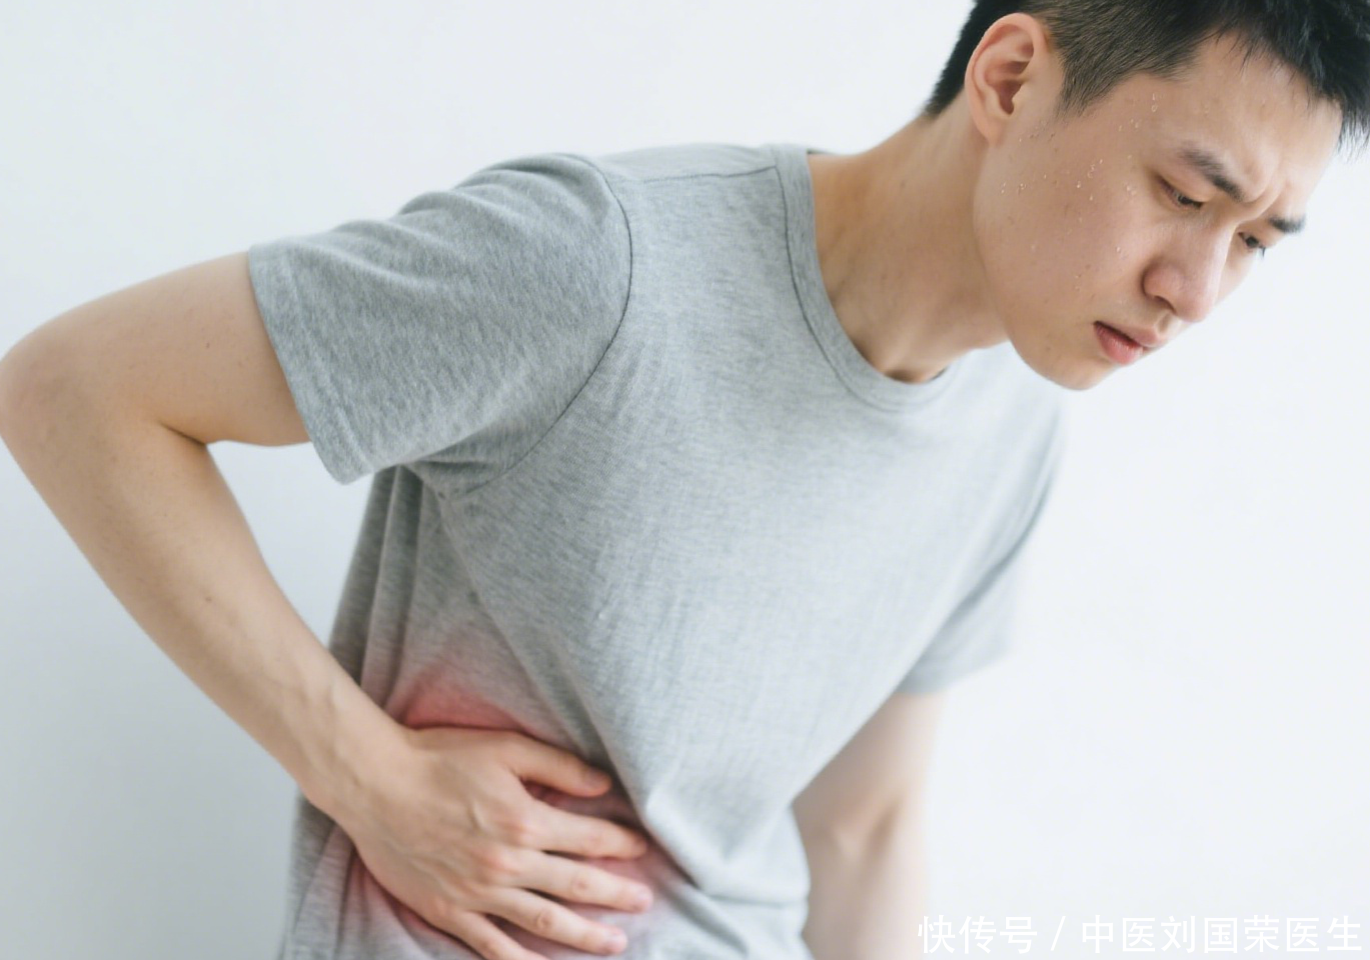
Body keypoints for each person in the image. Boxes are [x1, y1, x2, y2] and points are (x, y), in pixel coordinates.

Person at [0, 1, 1365, 958]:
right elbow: (75, 392)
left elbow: (864, 830)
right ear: (1008, 80)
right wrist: (370, 779)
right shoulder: (595, 266)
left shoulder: (1015, 418)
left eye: (1256, 242)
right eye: (1186, 196)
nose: (1197, 291)